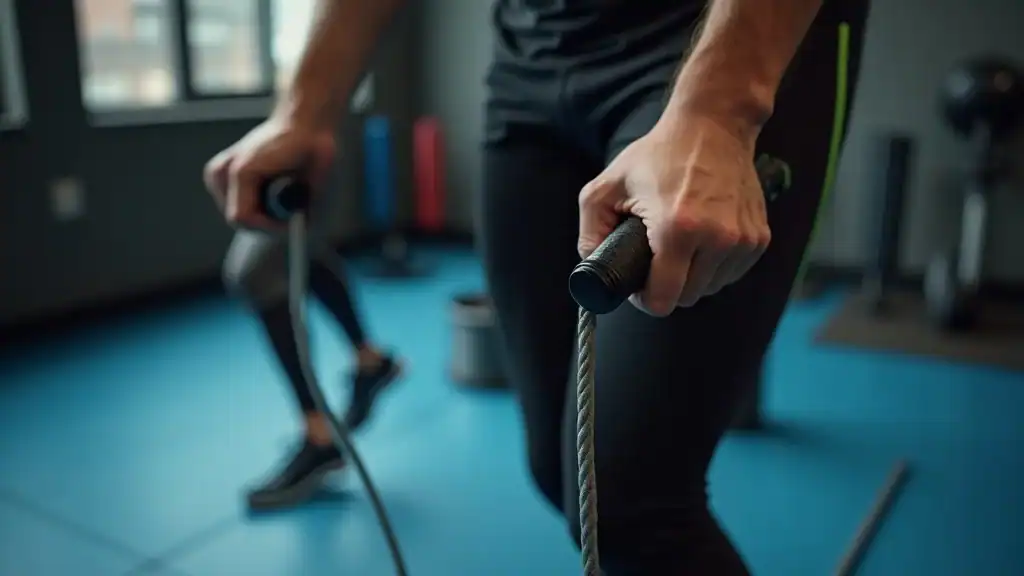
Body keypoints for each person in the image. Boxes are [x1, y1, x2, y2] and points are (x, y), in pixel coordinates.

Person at [203, 0, 869, 572]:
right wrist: (304, 109)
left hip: (713, 41)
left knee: (628, 499)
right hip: (534, 51)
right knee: (564, 472)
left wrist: (722, 111)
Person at [208, 158, 402, 512]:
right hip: (295, 139)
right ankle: (370, 360)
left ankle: (320, 438)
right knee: (302, 249)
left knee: (253, 272)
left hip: (306, 138)